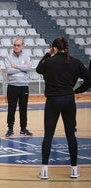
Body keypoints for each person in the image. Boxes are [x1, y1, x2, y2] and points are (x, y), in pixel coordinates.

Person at [36, 37, 91, 179]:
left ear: (54, 48)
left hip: (53, 101)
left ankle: (44, 170)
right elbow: (89, 79)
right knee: (71, 135)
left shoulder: (49, 62)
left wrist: (48, 54)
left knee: (48, 135)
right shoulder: (75, 62)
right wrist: (77, 91)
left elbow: (38, 69)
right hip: (68, 100)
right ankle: (74, 169)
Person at [3, 38, 33, 137]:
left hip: (24, 86)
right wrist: (22, 67)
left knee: (23, 108)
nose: (16, 47)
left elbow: (29, 68)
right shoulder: (8, 57)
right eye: (15, 45)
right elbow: (9, 70)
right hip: (12, 86)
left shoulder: (27, 56)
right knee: (11, 108)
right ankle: (10, 129)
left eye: (18, 45)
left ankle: (23, 129)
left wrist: (16, 66)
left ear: (22, 46)